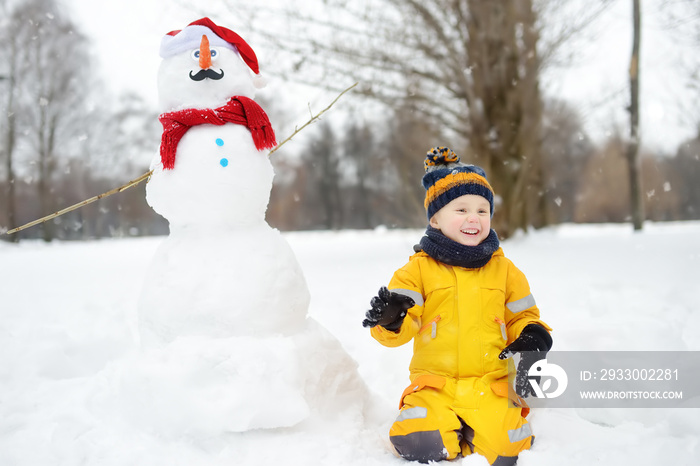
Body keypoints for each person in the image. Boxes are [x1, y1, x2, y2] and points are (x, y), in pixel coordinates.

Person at [362, 147, 553, 465]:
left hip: (489, 385)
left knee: (511, 449)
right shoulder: (417, 270)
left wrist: (532, 334)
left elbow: (523, 315)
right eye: (461, 209)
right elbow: (400, 329)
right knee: (419, 442)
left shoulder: (504, 270)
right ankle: (450, 429)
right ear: (436, 218)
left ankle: (476, 431)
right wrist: (392, 320)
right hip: (436, 385)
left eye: (482, 210)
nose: (473, 219)